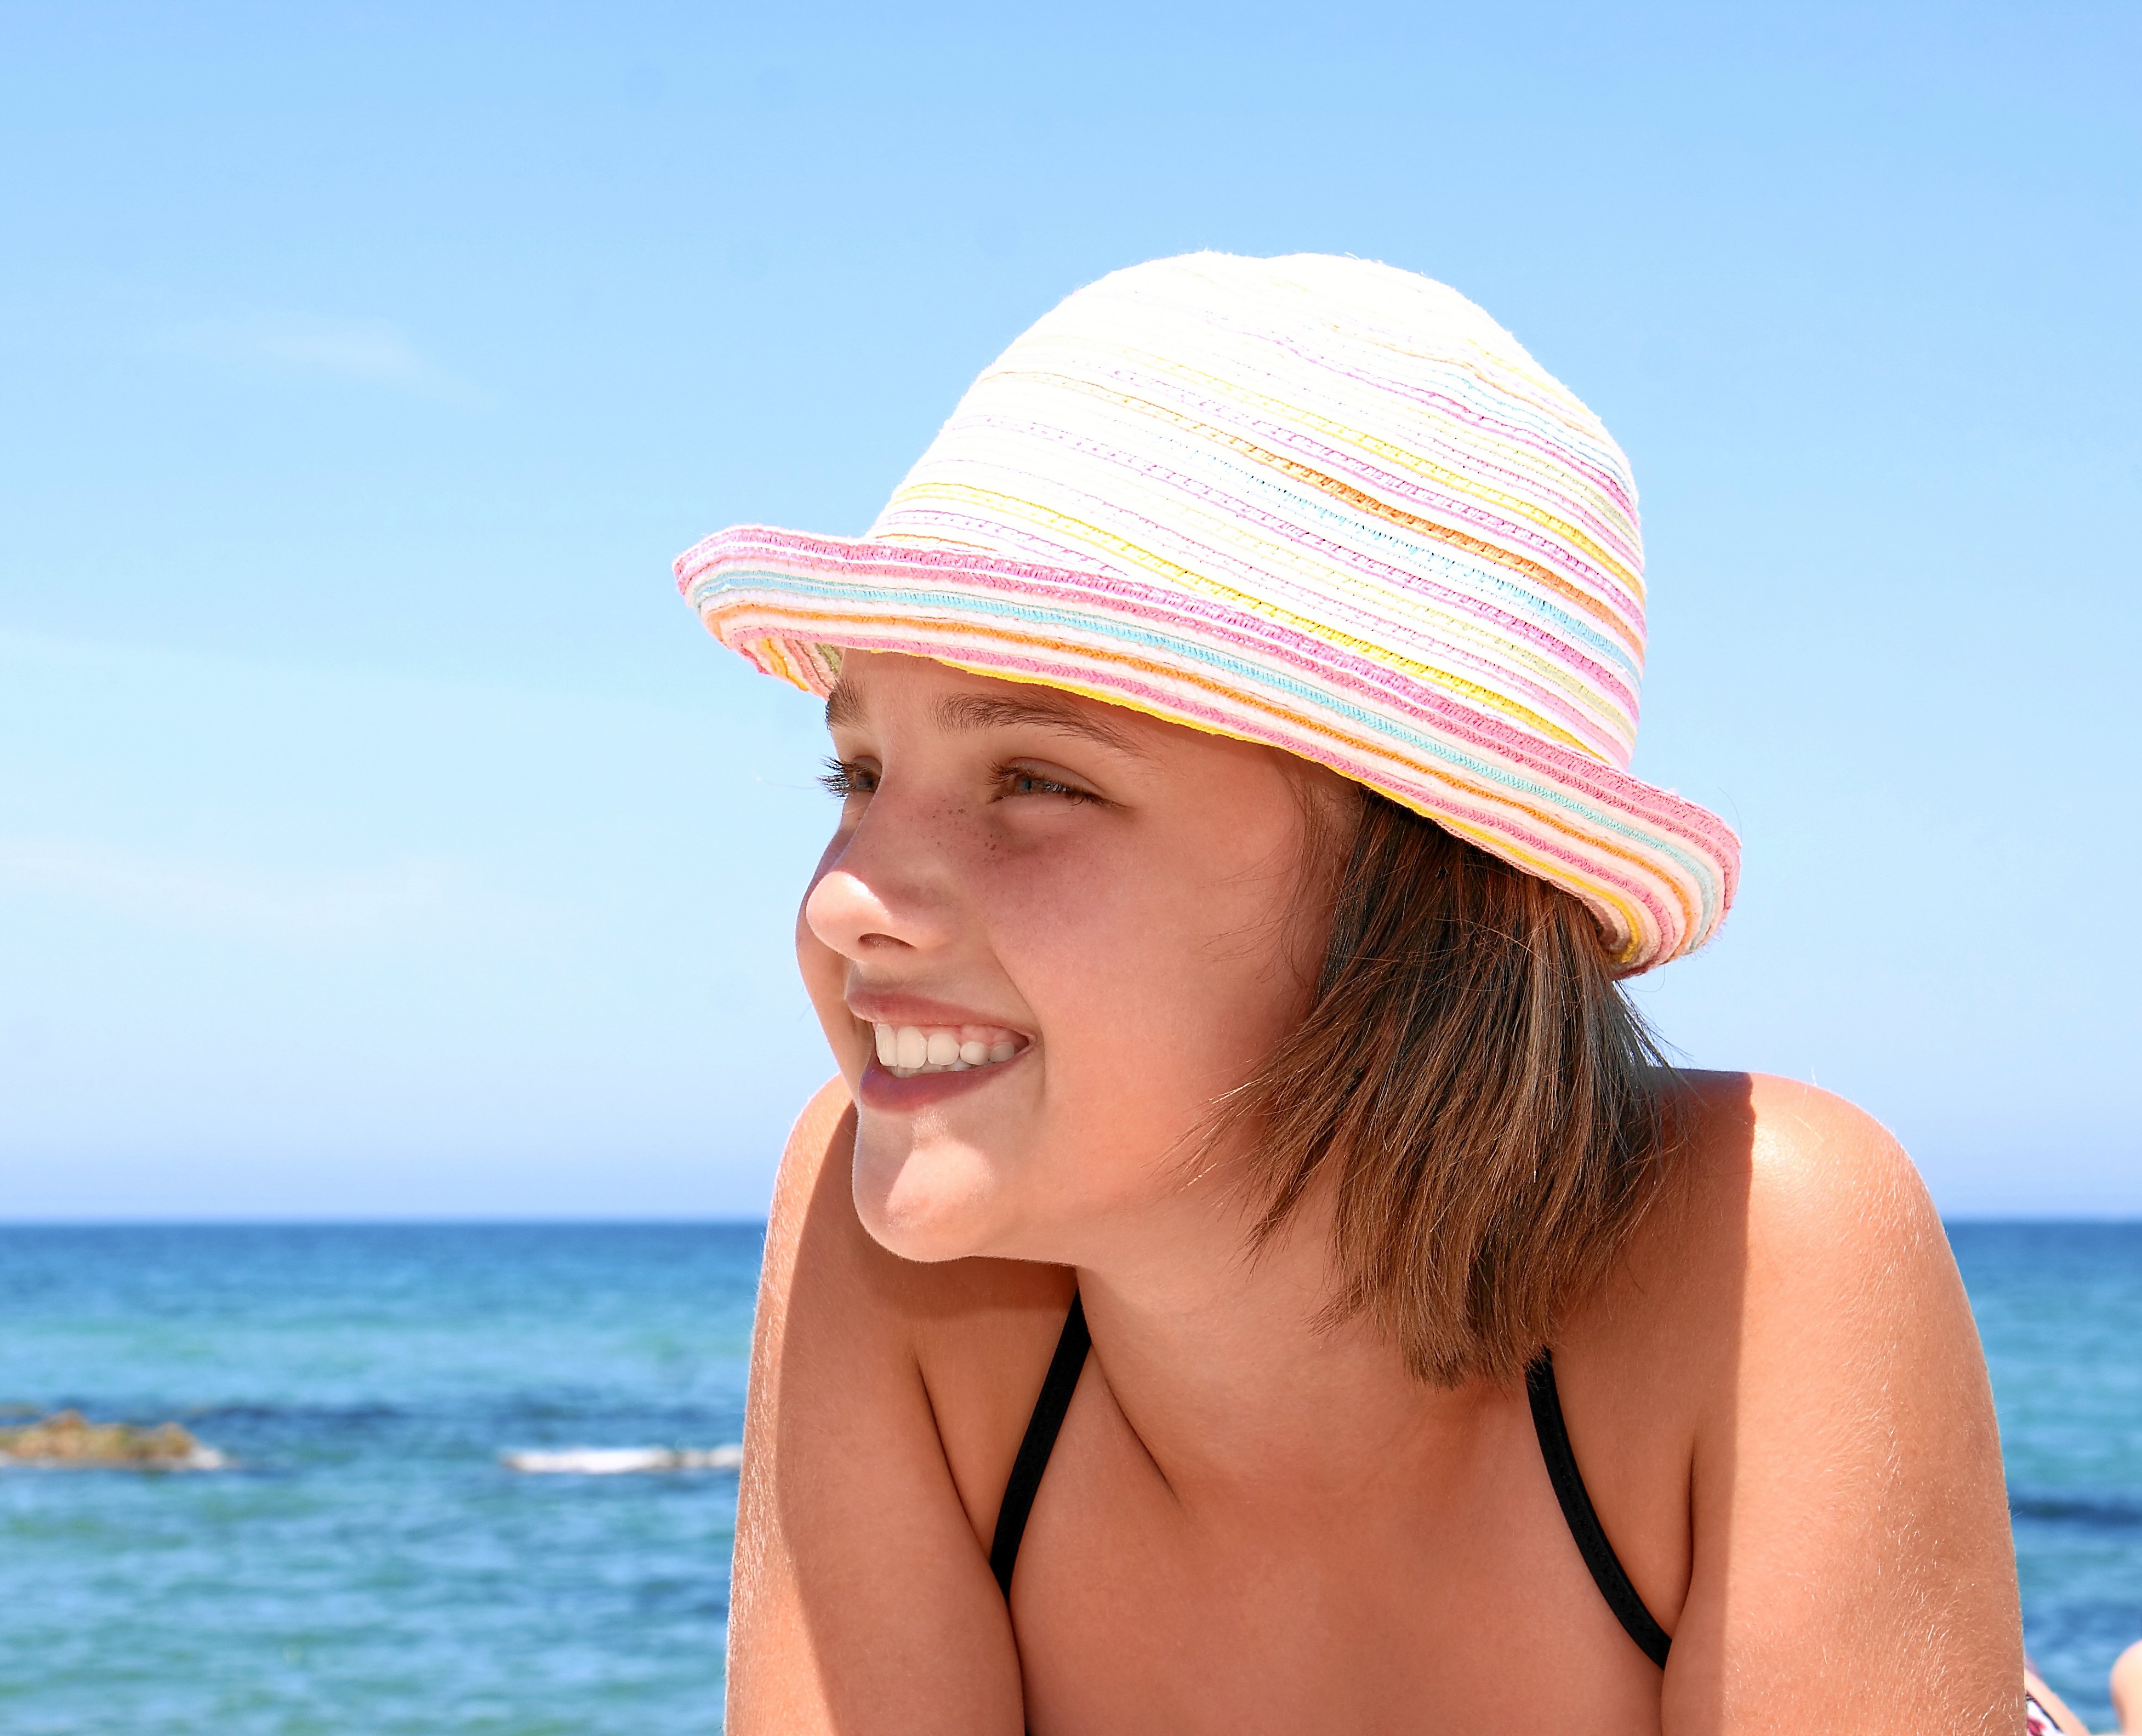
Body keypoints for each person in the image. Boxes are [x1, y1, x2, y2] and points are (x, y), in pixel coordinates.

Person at [674, 254, 2062, 1733]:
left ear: (1429, 894)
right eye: (858, 774)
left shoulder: (1759, 1253)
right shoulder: (882, 1241)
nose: (843, 901)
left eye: (1038, 780)